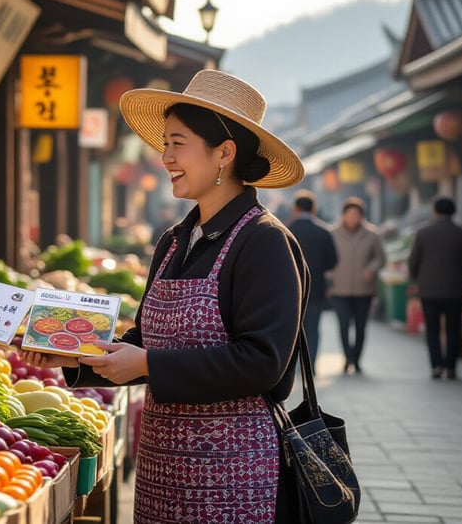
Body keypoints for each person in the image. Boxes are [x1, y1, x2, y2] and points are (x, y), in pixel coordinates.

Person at [23, 69, 309, 523]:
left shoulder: (264, 242)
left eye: (178, 143)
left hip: (232, 473)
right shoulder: (175, 240)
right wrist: (72, 354)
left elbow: (263, 362)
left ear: (225, 153)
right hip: (162, 468)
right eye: (165, 143)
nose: (165, 156)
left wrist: (149, 364)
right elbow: (145, 340)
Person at [408, 196, 462, 379]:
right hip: (455, 289)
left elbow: (413, 262)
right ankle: (451, 367)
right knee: (453, 329)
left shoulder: (423, 233)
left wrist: (419, 279)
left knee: (432, 329)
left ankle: (436, 365)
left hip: (429, 290)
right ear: (453, 212)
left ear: (435, 211)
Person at [329, 196, 385, 374]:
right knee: (344, 325)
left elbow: (380, 258)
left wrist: (372, 268)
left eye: (356, 214)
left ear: (362, 216)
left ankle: (357, 359)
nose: (353, 217)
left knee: (361, 327)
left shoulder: (372, 234)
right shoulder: (332, 233)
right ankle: (347, 358)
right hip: (339, 288)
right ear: (343, 215)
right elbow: (327, 258)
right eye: (349, 214)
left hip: (364, 289)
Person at [288, 189, 338, 372]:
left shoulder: (285, 230)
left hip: (289, 291)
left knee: (292, 329)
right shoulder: (323, 232)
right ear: (314, 208)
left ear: (295, 208)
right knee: (313, 328)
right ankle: (310, 366)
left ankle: (291, 367)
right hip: (316, 288)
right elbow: (333, 261)